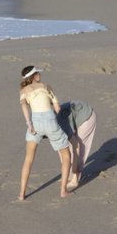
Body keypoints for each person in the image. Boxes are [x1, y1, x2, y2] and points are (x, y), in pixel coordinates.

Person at [17, 66, 73, 200]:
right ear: (35, 76)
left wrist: (29, 123)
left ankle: (21, 194)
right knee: (66, 155)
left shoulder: (23, 90)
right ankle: (63, 191)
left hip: (34, 122)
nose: (39, 75)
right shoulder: (46, 86)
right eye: (38, 73)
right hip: (49, 120)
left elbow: (24, 105)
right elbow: (57, 108)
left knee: (28, 159)